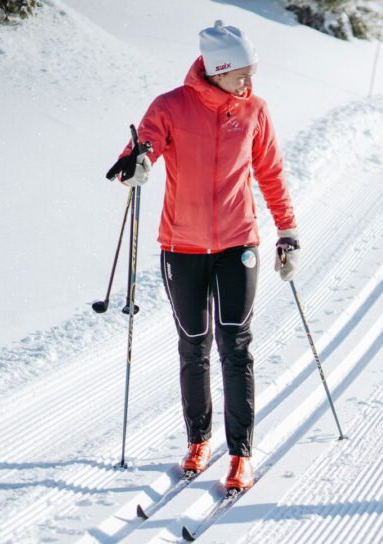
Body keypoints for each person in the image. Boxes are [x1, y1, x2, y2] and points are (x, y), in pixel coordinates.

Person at [106, 21, 301, 491]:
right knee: (194, 344)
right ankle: (199, 440)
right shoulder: (170, 106)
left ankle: (241, 453)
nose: (249, 81)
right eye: (241, 73)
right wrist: (139, 160)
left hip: (239, 244)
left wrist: (287, 232)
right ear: (218, 70)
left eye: (252, 71)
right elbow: (144, 144)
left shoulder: (254, 109)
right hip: (182, 246)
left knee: (235, 345)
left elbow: (270, 173)